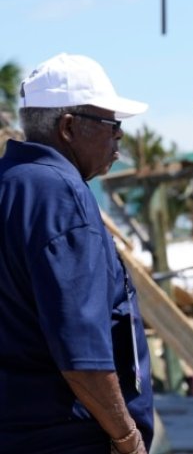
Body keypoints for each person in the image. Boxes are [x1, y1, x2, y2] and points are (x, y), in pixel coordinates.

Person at [0, 53, 152, 454]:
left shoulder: (11, 184)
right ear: (68, 127)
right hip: (65, 439)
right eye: (112, 125)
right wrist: (127, 439)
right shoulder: (61, 195)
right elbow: (81, 351)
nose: (120, 137)